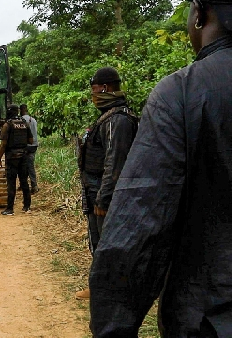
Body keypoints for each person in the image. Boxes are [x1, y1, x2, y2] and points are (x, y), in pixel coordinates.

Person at [89, 2, 232, 336]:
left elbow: (138, 231)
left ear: (199, 14)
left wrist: (113, 325)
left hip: (208, 316)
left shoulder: (181, 93)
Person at [75, 67, 138, 300]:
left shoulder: (118, 120)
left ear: (105, 88)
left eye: (94, 90)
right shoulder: (109, 117)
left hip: (105, 195)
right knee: (99, 242)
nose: (93, 96)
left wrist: (104, 197)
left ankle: (110, 291)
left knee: (108, 243)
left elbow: (115, 162)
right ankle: (101, 286)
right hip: (96, 191)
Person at [0, 104, 34, 215]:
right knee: (24, 182)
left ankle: (10, 209)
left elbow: (3, 144)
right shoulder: (25, 123)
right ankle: (27, 207)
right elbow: (31, 141)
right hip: (23, 156)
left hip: (12, 157)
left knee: (11, 183)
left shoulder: (7, 125)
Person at [20, 104, 39, 194]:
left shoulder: (21, 120)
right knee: (29, 164)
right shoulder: (33, 120)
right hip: (34, 145)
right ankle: (26, 184)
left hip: (26, 146)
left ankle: (33, 185)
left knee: (27, 166)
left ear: (21, 110)